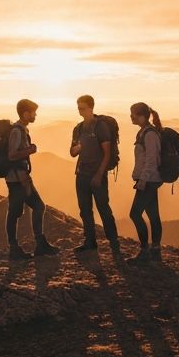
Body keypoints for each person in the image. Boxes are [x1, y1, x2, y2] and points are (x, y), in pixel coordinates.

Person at [5, 98, 60, 260]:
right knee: (27, 209)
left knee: (25, 210)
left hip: (20, 178)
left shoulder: (22, 129)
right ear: (25, 113)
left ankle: (26, 247)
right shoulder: (17, 131)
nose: (36, 114)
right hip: (17, 179)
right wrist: (30, 150)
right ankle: (24, 247)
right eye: (33, 112)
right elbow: (12, 155)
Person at [69, 95, 120, 254]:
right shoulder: (77, 128)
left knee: (103, 208)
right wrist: (77, 149)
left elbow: (106, 153)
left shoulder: (100, 127)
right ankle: (90, 241)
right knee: (85, 209)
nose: (80, 111)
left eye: (82, 108)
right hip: (81, 174)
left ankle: (114, 241)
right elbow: (72, 152)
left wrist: (99, 175)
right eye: (78, 108)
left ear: (91, 108)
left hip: (97, 174)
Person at [127, 102, 163, 264]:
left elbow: (151, 160)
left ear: (141, 115)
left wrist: (142, 179)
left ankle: (144, 251)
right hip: (151, 180)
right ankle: (155, 250)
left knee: (135, 214)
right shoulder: (145, 132)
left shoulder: (149, 134)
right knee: (153, 215)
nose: (131, 117)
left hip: (148, 181)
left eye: (132, 114)